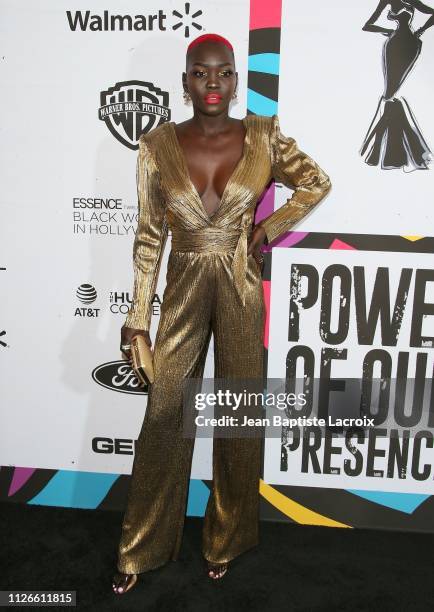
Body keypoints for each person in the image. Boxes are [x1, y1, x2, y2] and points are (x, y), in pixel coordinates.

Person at [112, 32, 331, 593]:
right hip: (183, 286)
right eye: (201, 72)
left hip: (239, 284)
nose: (213, 82)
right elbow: (146, 239)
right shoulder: (157, 143)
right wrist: (137, 317)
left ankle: (226, 539)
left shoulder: (262, 136)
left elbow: (314, 182)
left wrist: (267, 230)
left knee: (235, 417)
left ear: (236, 80)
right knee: (164, 416)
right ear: (185, 82)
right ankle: (140, 548)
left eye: (224, 72)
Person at [360, 0, 433, 170]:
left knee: (390, 94)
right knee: (390, 94)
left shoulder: (412, 1)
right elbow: (367, 26)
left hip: (410, 45)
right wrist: (388, 30)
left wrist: (420, 31)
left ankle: (381, 150)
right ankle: (390, 151)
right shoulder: (385, 1)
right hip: (396, 43)